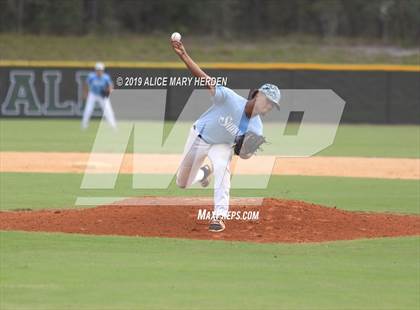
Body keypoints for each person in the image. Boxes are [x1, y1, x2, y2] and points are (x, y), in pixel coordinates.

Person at [171, 39, 281, 232]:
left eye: (273, 105)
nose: (269, 106)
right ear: (257, 95)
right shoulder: (230, 98)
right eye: (268, 101)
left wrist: (244, 151)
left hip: (222, 145)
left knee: (223, 169)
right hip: (200, 136)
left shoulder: (257, 129)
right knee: (182, 182)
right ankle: (204, 173)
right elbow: (204, 78)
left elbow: (245, 156)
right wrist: (184, 56)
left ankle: (219, 217)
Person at [82, 62, 117, 129]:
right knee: (88, 109)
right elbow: (86, 84)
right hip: (93, 94)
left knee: (108, 110)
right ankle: (84, 124)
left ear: (103, 70)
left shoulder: (106, 77)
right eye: (98, 70)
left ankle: (113, 125)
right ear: (95, 70)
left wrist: (108, 91)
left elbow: (110, 86)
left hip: (102, 94)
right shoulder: (91, 77)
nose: (99, 71)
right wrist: (85, 93)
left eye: (100, 70)